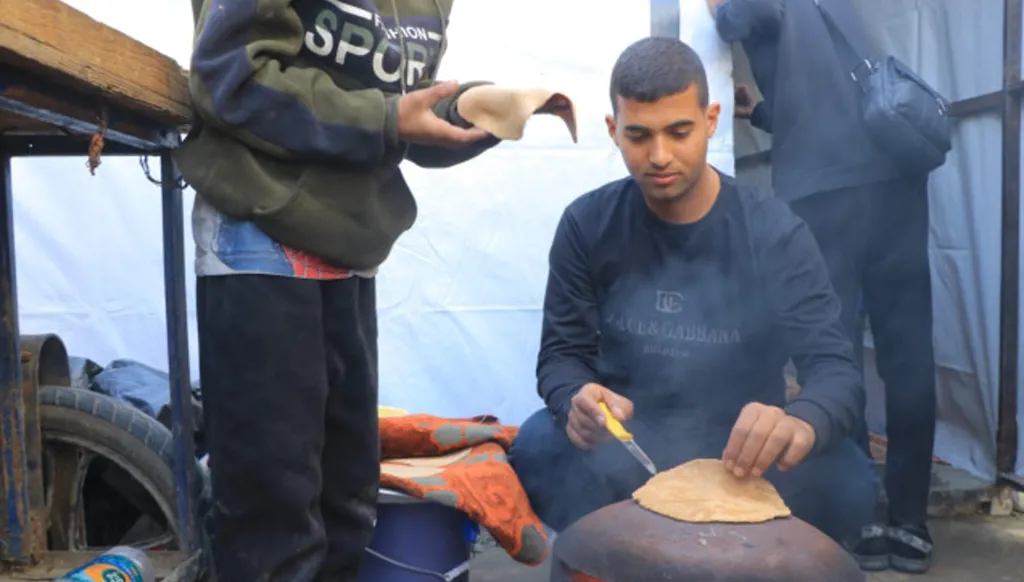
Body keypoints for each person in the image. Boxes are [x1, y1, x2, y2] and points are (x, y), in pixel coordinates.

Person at [173, 1, 504, 581]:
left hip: (351, 249)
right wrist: (389, 119)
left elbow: (395, 105)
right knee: (276, 525)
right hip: (262, 231)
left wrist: (475, 109)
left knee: (348, 509)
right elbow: (231, 76)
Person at [507, 36, 878, 550]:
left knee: (850, 483)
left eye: (679, 131)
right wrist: (575, 397)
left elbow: (836, 371)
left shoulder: (772, 231)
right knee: (537, 445)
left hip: (745, 452)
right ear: (613, 131)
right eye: (639, 135)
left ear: (711, 120)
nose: (660, 156)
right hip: (632, 445)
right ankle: (617, 556)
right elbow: (561, 355)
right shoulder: (587, 224)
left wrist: (800, 422)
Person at [708, 0, 937, 573]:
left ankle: (857, 512)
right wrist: (761, 110)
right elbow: (825, 102)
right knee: (907, 354)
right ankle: (909, 523)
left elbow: (725, 17)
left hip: (821, 197)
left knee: (830, 355)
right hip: (895, 182)